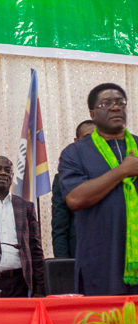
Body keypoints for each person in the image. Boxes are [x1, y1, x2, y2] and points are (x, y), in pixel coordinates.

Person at [59, 83, 138, 295]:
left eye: (120, 103)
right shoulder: (75, 153)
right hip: (101, 262)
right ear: (92, 113)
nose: (115, 108)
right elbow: (75, 199)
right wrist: (122, 171)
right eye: (106, 103)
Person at [0, 156, 45, 297]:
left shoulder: (25, 207)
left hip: (20, 282)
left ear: (12, 175)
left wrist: (40, 288)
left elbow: (35, 249)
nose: (3, 173)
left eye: (7, 170)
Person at [51, 120, 94, 258]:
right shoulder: (63, 178)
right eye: (87, 138)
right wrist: (63, 267)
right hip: (80, 257)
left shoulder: (117, 172)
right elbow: (60, 228)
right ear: (77, 142)